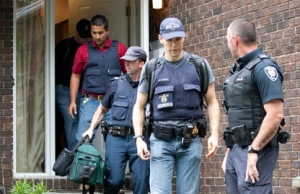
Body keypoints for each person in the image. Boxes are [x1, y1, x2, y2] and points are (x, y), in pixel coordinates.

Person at [132, 17, 220, 194]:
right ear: (161, 38)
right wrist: (138, 138)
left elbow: (212, 101)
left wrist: (215, 134)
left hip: (190, 141)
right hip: (160, 142)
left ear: (184, 38)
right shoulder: (152, 68)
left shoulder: (199, 65)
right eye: (170, 39)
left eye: (178, 39)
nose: (174, 44)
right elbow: (139, 106)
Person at [222, 18, 284, 194]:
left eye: (227, 40)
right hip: (236, 149)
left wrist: (254, 150)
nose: (227, 44)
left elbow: (276, 114)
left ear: (235, 40)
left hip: (256, 149)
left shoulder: (264, 68)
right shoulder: (238, 71)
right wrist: (229, 151)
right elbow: (235, 113)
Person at [82, 46, 150, 194]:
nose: (127, 64)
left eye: (131, 61)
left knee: (141, 181)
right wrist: (90, 129)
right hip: (116, 138)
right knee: (114, 180)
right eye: (125, 60)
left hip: (139, 139)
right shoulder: (116, 84)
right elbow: (101, 110)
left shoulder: (150, 86)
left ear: (141, 64)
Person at [68, 14, 127, 143]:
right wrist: (73, 101)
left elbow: (129, 74)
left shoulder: (120, 48)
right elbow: (75, 75)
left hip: (114, 101)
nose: (97, 36)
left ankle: (111, 163)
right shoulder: (82, 50)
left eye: (101, 32)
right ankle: (86, 163)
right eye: (94, 33)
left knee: (116, 140)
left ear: (107, 31)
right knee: (82, 140)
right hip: (90, 101)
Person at [55, 19, 92, 150]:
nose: (86, 41)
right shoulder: (65, 45)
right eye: (83, 37)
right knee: (71, 123)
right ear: (77, 32)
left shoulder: (92, 48)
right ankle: (72, 161)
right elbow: (52, 66)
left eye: (89, 37)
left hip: (85, 93)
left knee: (84, 124)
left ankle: (78, 158)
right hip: (64, 91)